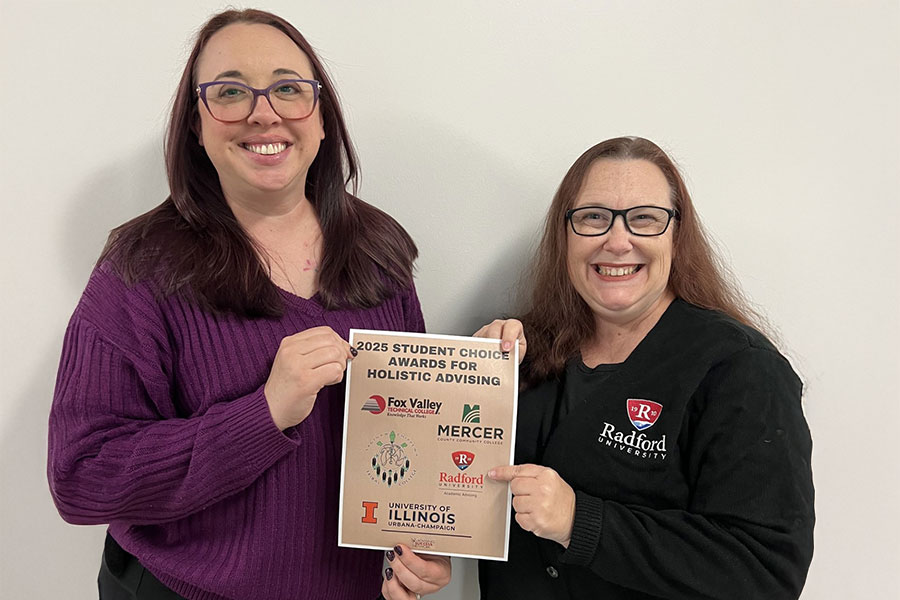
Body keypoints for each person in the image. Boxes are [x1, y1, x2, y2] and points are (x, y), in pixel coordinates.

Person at [47, 9, 448, 600]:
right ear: (196, 124)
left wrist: (417, 551)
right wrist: (262, 415)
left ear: (320, 115)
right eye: (231, 92)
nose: (265, 112)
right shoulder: (140, 266)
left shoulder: (378, 248)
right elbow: (81, 477)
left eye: (289, 88)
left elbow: (406, 441)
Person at [474, 137, 814, 599]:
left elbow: (765, 573)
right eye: (593, 217)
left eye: (645, 219)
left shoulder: (742, 371)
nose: (617, 241)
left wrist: (582, 523)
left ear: (677, 234)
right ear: (565, 233)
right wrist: (472, 383)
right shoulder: (524, 352)